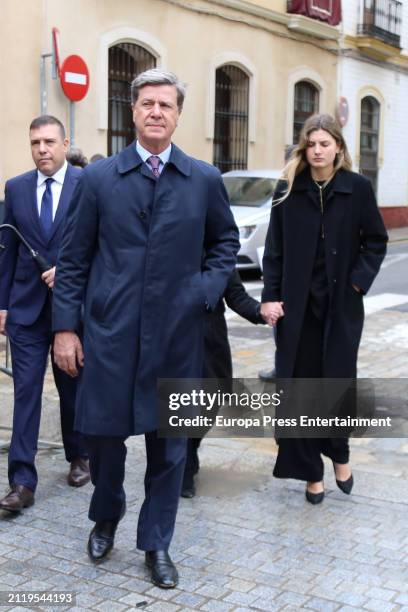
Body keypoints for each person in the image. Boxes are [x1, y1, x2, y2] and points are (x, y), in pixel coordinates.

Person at [52, 69, 239, 588]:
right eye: (147, 103)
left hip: (178, 340)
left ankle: (156, 542)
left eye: (166, 105)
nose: (156, 112)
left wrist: (204, 290)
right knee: (105, 440)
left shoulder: (203, 179)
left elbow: (225, 244)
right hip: (110, 337)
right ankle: (106, 513)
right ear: (132, 112)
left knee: (170, 447)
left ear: (179, 115)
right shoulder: (98, 179)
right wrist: (65, 330)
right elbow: (72, 261)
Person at [261, 114, 388, 504]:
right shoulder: (288, 190)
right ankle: (311, 473)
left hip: (340, 307)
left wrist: (356, 283)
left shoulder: (357, 188)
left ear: (338, 148)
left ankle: (339, 454)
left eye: (324, 144)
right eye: (311, 144)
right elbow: (275, 250)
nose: (317, 151)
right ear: (304, 148)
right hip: (297, 310)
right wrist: (270, 296)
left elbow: (376, 241)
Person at [0, 115, 90, 513]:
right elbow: (8, 250)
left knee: (72, 386)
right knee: (26, 394)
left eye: (49, 142)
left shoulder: (86, 185)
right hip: (25, 310)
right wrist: (2, 305)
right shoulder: (16, 188)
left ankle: (80, 455)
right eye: (35, 143)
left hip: (72, 309)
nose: (42, 150)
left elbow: (99, 245)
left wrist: (70, 273)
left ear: (64, 142)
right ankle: (22, 481)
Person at [182, 269, 265, 498]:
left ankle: (190, 446)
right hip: (176, 338)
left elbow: (236, 295)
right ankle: (184, 463)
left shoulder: (218, 252)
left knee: (213, 401)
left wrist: (260, 311)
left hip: (211, 340)